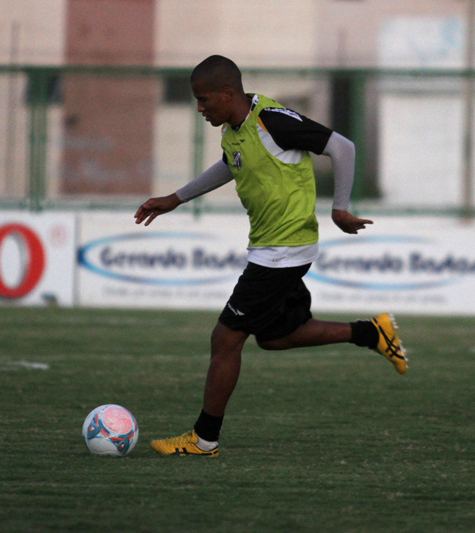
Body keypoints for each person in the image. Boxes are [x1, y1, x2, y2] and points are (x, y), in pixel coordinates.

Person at [134, 55, 408, 456]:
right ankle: (372, 332)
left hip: (283, 249)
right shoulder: (234, 128)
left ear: (227, 93)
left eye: (204, 99)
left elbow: (341, 147)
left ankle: (203, 439)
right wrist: (175, 198)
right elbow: (231, 165)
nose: (199, 108)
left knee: (225, 338)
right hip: (274, 246)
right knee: (277, 336)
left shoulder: (272, 120)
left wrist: (340, 208)